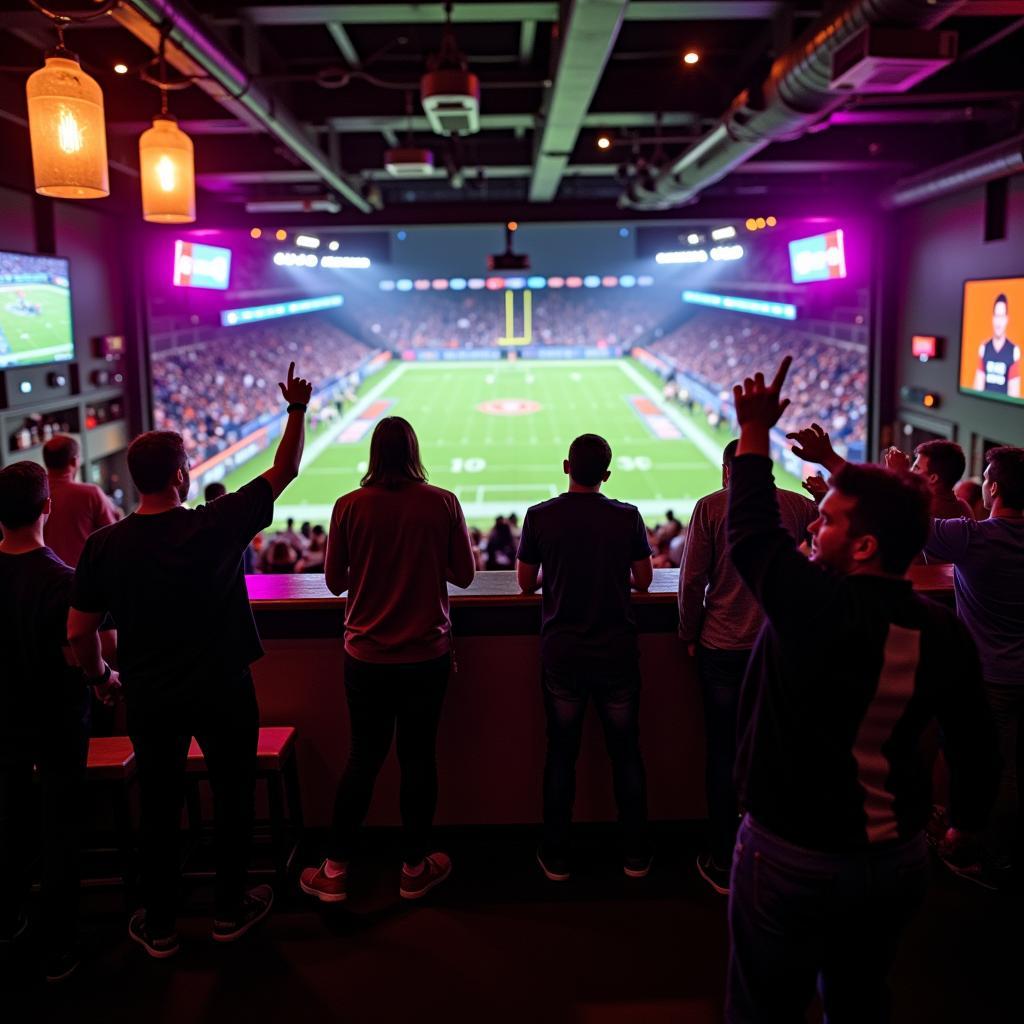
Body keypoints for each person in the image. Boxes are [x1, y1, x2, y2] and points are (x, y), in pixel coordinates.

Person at [724, 357, 998, 1023]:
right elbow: (977, 744)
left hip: (794, 851)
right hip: (898, 857)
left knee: (765, 1006)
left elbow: (753, 530)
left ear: (868, 545)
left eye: (828, 520)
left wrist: (754, 432)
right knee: (859, 999)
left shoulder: (815, 606)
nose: (814, 528)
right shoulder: (942, 632)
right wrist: (965, 821)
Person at [67, 362, 313, 958]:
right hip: (223, 684)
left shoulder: (104, 545)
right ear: (182, 475)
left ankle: (159, 924)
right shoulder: (217, 523)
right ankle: (229, 909)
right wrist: (296, 410)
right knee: (232, 797)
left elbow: (79, 632)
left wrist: (103, 677)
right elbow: (284, 470)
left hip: (150, 691)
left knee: (158, 804)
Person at [300, 417, 475, 904]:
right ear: (414, 451)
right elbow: (464, 574)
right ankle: (413, 868)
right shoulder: (441, 502)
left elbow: (334, 582)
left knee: (363, 758)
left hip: (366, 653)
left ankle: (335, 869)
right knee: (418, 759)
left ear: (373, 453)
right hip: (426, 653)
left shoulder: (349, 506)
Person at [678, 439, 818, 894]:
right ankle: (781, 857)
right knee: (782, 751)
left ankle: (723, 858)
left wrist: (687, 632)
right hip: (781, 646)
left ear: (726, 470)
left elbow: (692, 579)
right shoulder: (798, 505)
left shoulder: (712, 507)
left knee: (722, 754)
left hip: (722, 644)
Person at [516, 434, 654, 881]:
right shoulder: (627, 516)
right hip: (616, 650)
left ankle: (556, 856)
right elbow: (645, 580)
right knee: (627, 755)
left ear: (565, 466)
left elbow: (524, 584)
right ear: (607, 475)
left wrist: (554, 578)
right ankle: (635, 854)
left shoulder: (540, 516)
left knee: (561, 756)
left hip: (563, 652)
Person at [0, 463, 118, 982]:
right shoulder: (62, 580)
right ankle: (60, 945)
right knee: (61, 830)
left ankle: (8, 925)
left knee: (8, 822)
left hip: (4, 721)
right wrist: (103, 678)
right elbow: (84, 647)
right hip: (57, 718)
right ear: (47, 507)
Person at [921, 446, 1024, 887]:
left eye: (986, 475)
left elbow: (901, 524)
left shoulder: (972, 537)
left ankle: (988, 852)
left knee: (985, 767)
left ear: (994, 487)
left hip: (989, 677)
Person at [41, 435, 118, 567]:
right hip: (82, 578)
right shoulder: (90, 494)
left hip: (46, 578)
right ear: (74, 461)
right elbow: (113, 538)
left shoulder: (36, 494)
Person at [972, 293, 1020, 398]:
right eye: (997, 316)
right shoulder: (984, 348)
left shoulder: (1014, 351)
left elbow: (1014, 394)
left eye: (1002, 316)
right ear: (993, 318)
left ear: (1007, 319)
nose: (999, 322)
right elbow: (977, 389)